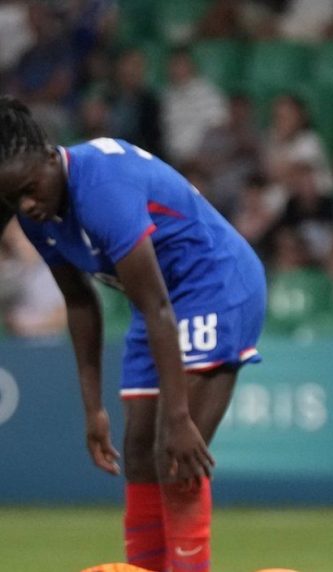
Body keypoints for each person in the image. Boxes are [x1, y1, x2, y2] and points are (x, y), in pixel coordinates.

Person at [0, 96, 266, 572]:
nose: (27, 204)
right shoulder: (37, 215)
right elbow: (81, 304)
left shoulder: (102, 185)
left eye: (28, 189)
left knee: (174, 455)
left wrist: (180, 415)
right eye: (13, 199)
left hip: (214, 287)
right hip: (155, 305)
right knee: (141, 456)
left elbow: (158, 303)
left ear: (47, 153)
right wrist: (93, 408)